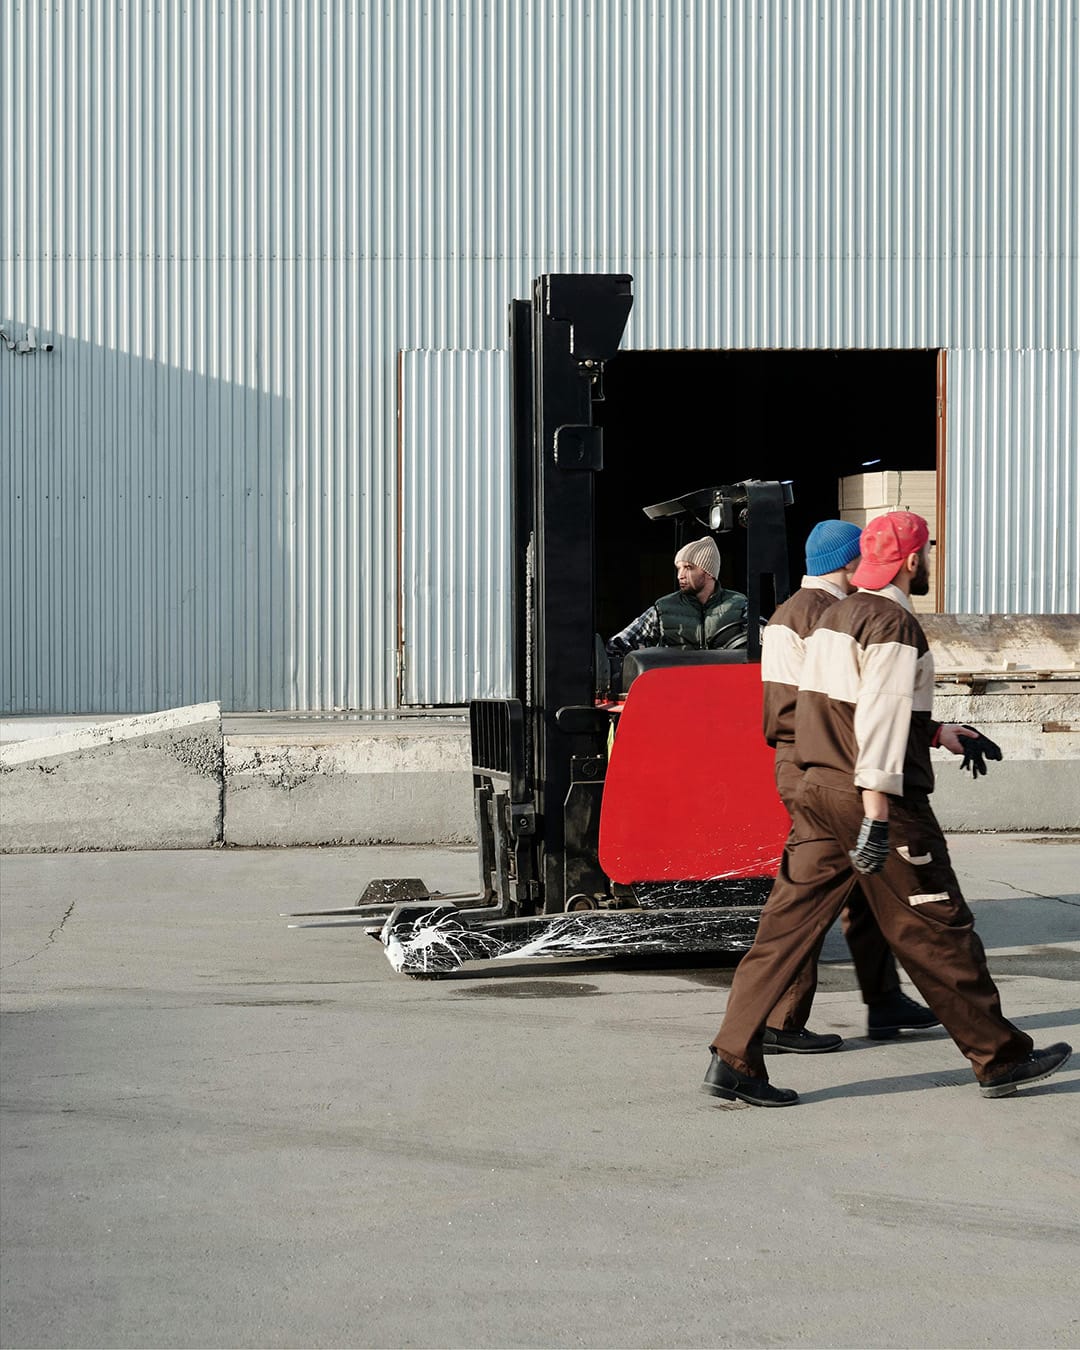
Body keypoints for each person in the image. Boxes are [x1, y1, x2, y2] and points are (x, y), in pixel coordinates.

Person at [703, 511, 1072, 1106]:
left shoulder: (838, 616)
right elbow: (876, 716)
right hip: (871, 799)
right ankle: (999, 1057)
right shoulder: (892, 621)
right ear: (911, 559)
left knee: (785, 929)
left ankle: (732, 1057)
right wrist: (876, 809)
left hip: (820, 790)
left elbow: (838, 708)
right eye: (926, 552)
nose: (928, 562)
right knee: (936, 924)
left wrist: (937, 733)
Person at [759, 520, 939, 1054]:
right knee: (811, 898)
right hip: (822, 761)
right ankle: (782, 1018)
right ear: (848, 561)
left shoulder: (804, 609)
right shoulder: (823, 614)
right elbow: (848, 704)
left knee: (862, 886)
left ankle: (883, 1000)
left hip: (816, 759)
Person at [606, 537, 748, 670]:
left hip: (726, 683)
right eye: (679, 568)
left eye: (688, 567)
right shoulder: (663, 609)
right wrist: (640, 655)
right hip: (676, 685)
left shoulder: (739, 604)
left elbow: (761, 641)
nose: (680, 575)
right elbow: (617, 644)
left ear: (709, 572)